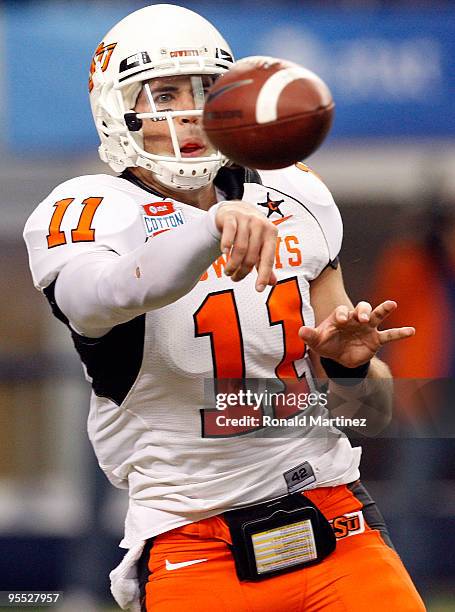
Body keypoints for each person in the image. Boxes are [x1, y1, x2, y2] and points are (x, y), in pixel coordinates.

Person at [23, 4, 425, 611]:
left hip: (334, 519)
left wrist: (348, 367)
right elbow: (100, 296)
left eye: (206, 90)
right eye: (164, 92)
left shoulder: (296, 192)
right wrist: (210, 226)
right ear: (118, 111)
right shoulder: (88, 209)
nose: (190, 112)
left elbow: (374, 412)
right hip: (194, 542)